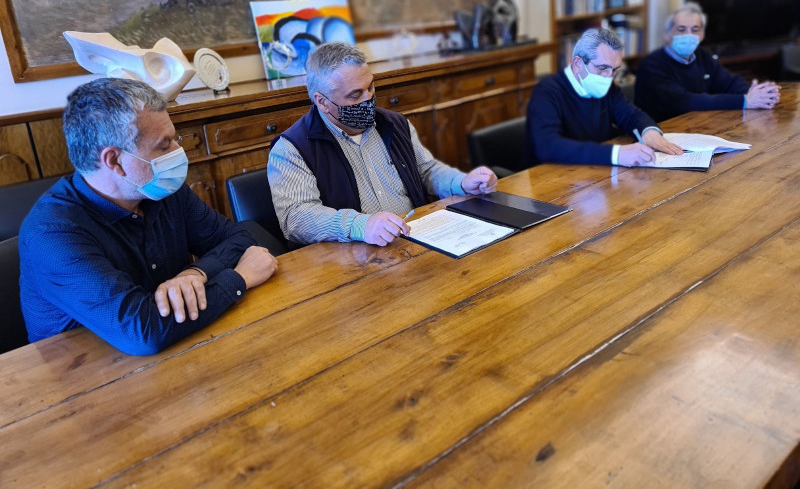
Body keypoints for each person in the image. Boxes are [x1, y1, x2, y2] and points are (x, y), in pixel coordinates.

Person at [19, 78, 278, 355]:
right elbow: (144, 330)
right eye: (164, 146)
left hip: (181, 347)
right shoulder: (52, 235)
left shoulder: (159, 190)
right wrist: (240, 278)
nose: (178, 152)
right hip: (88, 371)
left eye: (174, 139)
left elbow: (238, 238)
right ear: (114, 161)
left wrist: (195, 273)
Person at [268, 42, 498, 247]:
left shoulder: (394, 123)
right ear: (322, 102)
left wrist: (462, 182)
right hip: (352, 255)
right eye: (355, 95)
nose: (368, 99)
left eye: (370, 87)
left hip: (416, 237)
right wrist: (361, 225)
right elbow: (296, 217)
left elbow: (426, 170)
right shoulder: (292, 148)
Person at [525, 28, 683, 167]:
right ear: (578, 63)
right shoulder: (546, 92)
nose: (609, 77)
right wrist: (616, 154)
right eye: (602, 68)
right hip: (548, 178)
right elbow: (548, 146)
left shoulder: (606, 87)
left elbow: (630, 114)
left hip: (592, 171)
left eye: (614, 70)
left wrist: (648, 131)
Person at [634, 1, 780, 122]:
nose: (689, 35)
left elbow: (729, 82)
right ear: (667, 34)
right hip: (663, 133)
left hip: (700, 125)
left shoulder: (701, 55)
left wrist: (759, 93)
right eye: (681, 29)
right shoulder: (651, 65)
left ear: (702, 34)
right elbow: (685, 102)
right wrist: (745, 100)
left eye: (695, 30)